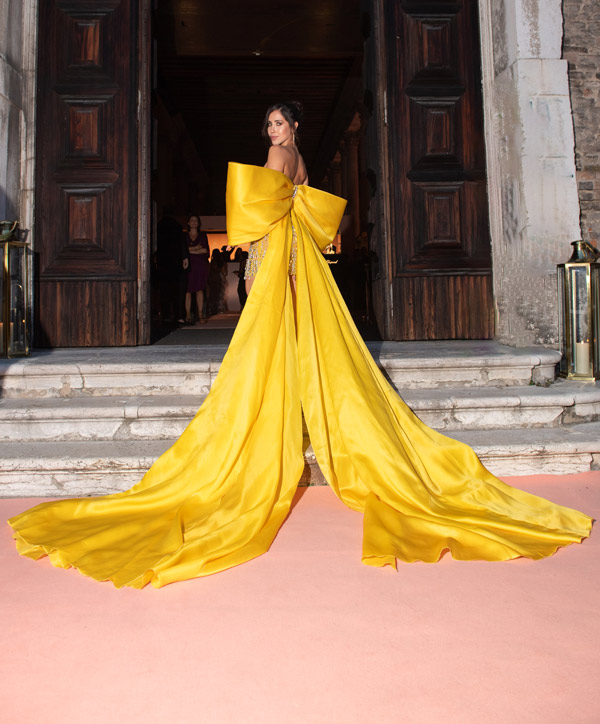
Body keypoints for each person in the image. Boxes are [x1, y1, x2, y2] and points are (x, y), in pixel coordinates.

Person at [7, 101, 593, 589]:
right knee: (307, 330)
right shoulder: (304, 161)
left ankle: (277, 411)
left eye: (278, 124)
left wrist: (257, 257)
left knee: (268, 333)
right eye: (268, 126)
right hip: (301, 254)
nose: (273, 133)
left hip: (276, 250)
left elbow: (259, 213)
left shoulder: (277, 159)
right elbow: (299, 203)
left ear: (292, 128)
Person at [183, 215, 209, 324]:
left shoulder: (203, 235)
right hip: (188, 266)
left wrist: (189, 250)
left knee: (200, 290)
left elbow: (205, 251)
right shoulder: (184, 236)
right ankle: (188, 315)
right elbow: (182, 250)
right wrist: (196, 248)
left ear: (198, 223)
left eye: (196, 220)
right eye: (192, 220)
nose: (194, 222)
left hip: (200, 265)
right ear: (188, 223)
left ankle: (200, 315)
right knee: (187, 291)